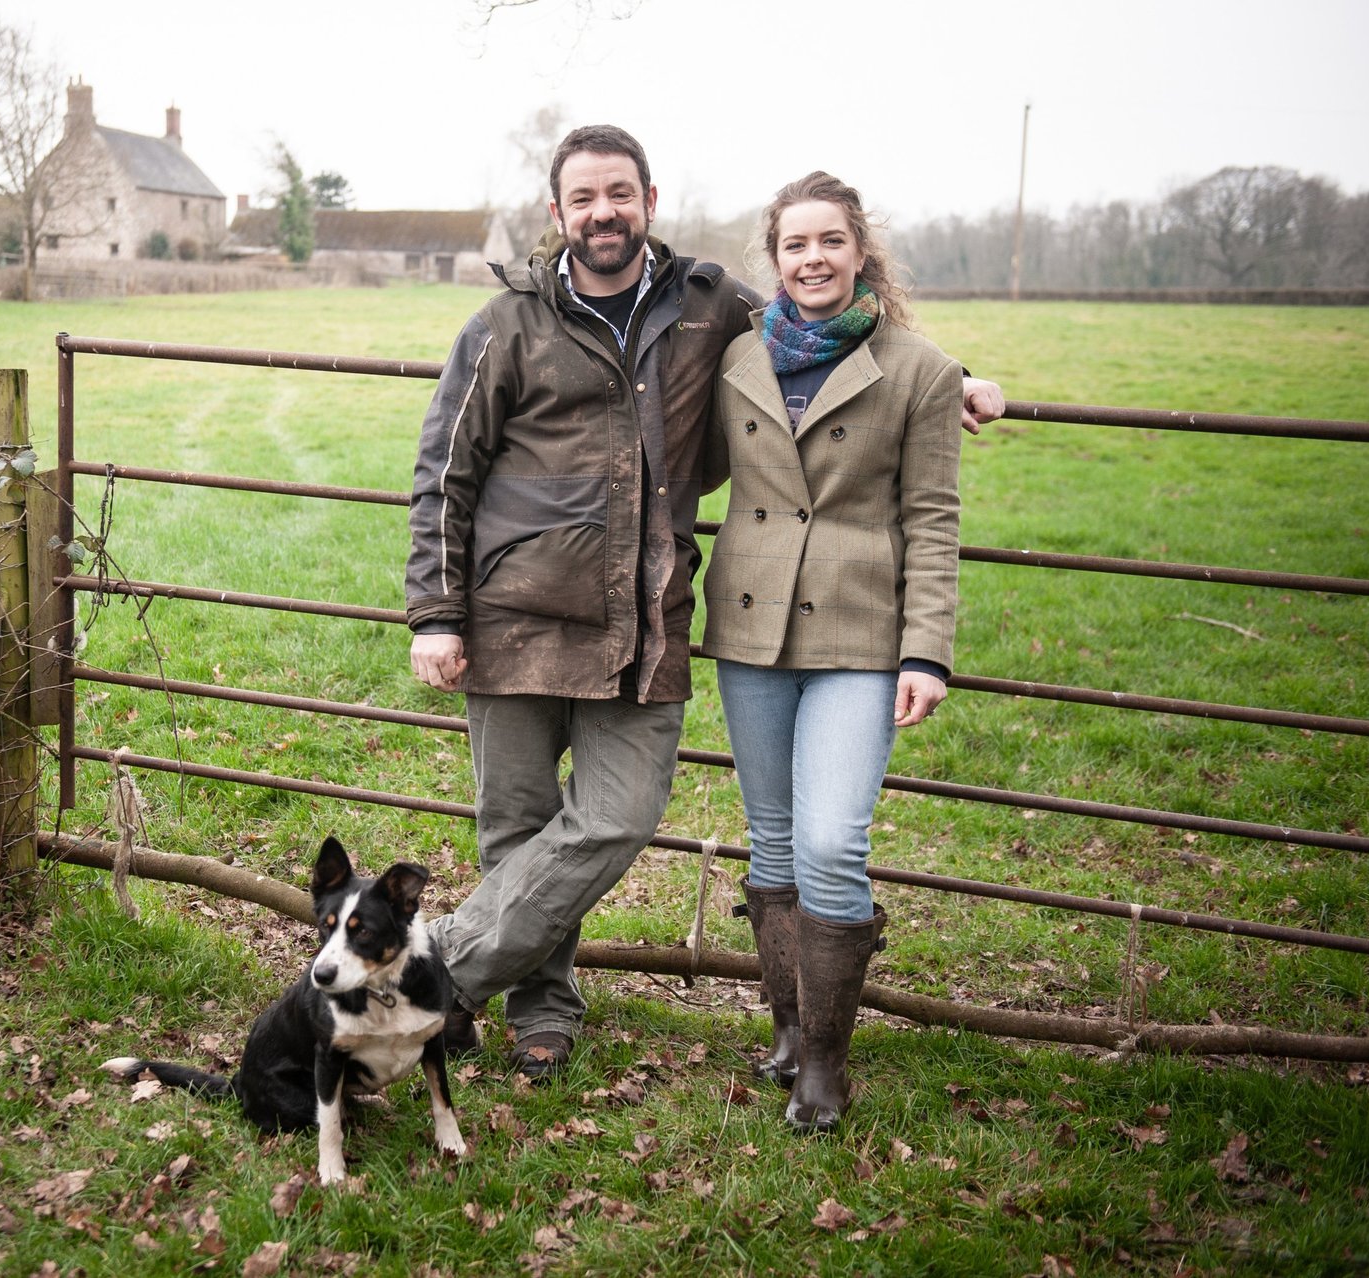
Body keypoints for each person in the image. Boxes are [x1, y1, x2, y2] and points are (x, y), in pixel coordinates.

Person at [405, 127, 1000, 1083]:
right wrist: (435, 612)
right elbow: (445, 468)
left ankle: (437, 976)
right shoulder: (503, 325)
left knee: (613, 818)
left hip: (644, 614)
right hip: (512, 613)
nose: (604, 213)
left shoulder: (709, 306)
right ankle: (539, 1008)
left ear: (649, 200)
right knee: (516, 827)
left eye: (620, 194)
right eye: (583, 198)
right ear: (556, 216)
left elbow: (833, 332)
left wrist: (954, 377)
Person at [703, 171, 964, 1134]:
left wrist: (926, 653)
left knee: (828, 843)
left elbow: (933, 521)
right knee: (772, 838)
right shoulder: (736, 357)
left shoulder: (921, 370)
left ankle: (825, 1061)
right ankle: (786, 1028)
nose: (812, 260)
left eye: (830, 243)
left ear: (861, 253)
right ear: (773, 261)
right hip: (751, 622)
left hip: (861, 632)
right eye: (794, 246)